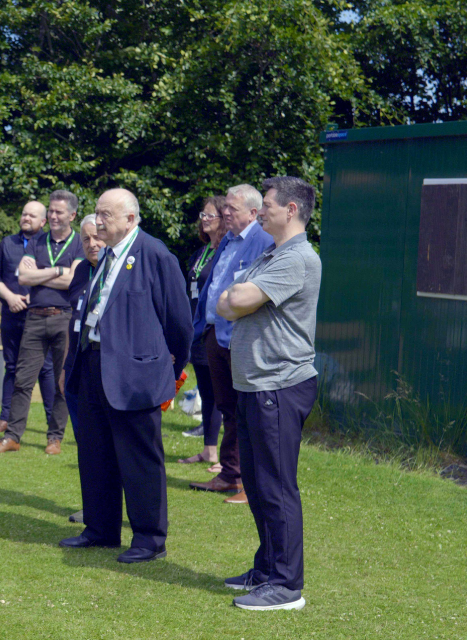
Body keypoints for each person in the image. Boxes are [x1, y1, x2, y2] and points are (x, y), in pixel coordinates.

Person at [58, 188, 191, 564]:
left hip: (136, 375)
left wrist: (167, 367)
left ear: (130, 219)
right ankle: (100, 529)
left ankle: (149, 539)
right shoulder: (105, 256)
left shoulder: (154, 254)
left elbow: (179, 322)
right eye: (96, 214)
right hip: (94, 366)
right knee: (95, 453)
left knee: (139, 459)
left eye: (106, 215)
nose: (98, 222)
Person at [216, 176, 321, 611]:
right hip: (255, 384)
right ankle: (266, 569)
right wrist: (233, 299)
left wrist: (234, 299)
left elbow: (238, 295)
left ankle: (286, 585)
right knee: (258, 485)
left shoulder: (297, 257)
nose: (261, 211)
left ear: (292, 210)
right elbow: (226, 302)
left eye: (269, 205)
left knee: (276, 487)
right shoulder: (272, 251)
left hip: (279, 385)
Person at [189, 185, 272, 504]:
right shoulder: (227, 240)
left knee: (245, 410)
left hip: (239, 336)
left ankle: (249, 484)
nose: (226, 212)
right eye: (225, 208)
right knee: (227, 407)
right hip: (214, 333)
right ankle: (229, 473)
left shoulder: (263, 242)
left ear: (253, 213)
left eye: (233, 209)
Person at [0, 190, 83, 455]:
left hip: (64, 317)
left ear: (72, 215)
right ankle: (13, 436)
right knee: (23, 379)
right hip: (35, 316)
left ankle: (54, 438)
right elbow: (23, 278)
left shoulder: (78, 244)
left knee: (61, 381)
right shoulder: (36, 242)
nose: (52, 215)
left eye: (58, 212)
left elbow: (72, 280)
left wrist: (40, 274)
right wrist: (57, 271)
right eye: (50, 211)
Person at [0, 201, 57, 434]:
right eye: (24, 213)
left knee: (45, 369)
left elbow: (57, 279)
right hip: (12, 314)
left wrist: (34, 299)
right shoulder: (8, 243)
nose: (26, 218)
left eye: (32, 216)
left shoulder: (51, 245)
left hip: (41, 316)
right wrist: (10, 297)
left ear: (43, 221)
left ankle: (53, 425)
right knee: (12, 367)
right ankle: (5, 419)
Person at [61, 214, 104, 523]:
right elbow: (72, 323)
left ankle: (114, 506)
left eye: (96, 237)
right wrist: (65, 366)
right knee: (86, 444)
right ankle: (93, 505)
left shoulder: (117, 272)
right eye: (86, 239)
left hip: (104, 371)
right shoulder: (81, 272)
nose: (92, 244)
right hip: (77, 368)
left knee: (108, 444)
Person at [178, 196, 227, 469]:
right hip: (195, 333)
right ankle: (209, 450)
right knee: (207, 394)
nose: (204, 219)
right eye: (203, 215)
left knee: (220, 395)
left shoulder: (225, 252)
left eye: (210, 215)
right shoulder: (201, 253)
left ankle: (225, 458)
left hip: (214, 331)